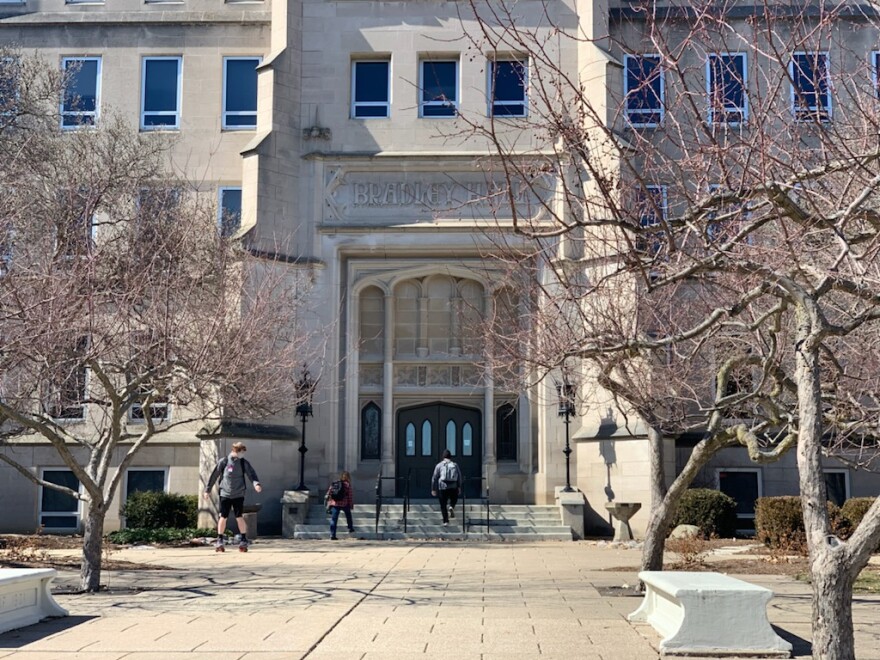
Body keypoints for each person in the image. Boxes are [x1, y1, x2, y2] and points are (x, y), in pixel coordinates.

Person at [204, 441, 262, 552]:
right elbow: (214, 475)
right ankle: (220, 539)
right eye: (241, 452)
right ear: (235, 451)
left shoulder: (243, 463)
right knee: (223, 516)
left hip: (238, 493)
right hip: (225, 493)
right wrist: (208, 490)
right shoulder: (224, 461)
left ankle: (243, 539)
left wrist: (256, 484)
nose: (242, 454)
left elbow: (251, 474)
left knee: (239, 516)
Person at [431, 449, 461, 526]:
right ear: (450, 457)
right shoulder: (455, 465)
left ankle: (446, 521)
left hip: (442, 487)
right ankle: (451, 506)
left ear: (443, 457)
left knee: (443, 504)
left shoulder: (439, 465)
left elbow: (434, 477)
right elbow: (459, 476)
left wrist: (433, 488)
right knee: (454, 498)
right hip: (453, 486)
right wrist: (459, 486)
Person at [325, 471, 354, 540]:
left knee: (334, 519)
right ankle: (350, 527)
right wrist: (351, 504)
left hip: (335, 503)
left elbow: (329, 493)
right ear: (348, 477)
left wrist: (329, 503)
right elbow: (350, 496)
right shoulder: (347, 485)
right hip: (344, 503)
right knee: (348, 515)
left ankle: (332, 534)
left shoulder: (335, 483)